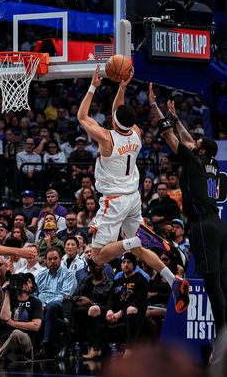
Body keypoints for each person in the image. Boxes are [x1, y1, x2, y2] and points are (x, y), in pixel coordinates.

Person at [77, 65, 189, 314]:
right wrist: (122, 87)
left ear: (113, 120)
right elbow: (119, 112)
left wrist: (94, 86)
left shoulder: (107, 139)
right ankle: (175, 281)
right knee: (138, 250)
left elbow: (82, 117)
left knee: (98, 256)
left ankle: (140, 237)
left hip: (114, 200)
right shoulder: (136, 133)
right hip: (133, 197)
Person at [148, 82, 227, 364]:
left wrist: (155, 106)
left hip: (204, 226)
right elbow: (188, 140)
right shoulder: (212, 164)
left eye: (196, 144)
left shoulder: (194, 162)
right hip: (219, 226)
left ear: (200, 152)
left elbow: (169, 135)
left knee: (212, 284)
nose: (191, 142)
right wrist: (179, 117)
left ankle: (221, 339)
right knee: (222, 284)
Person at [106, 252, 149, 359]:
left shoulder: (141, 280)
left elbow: (137, 301)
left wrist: (121, 312)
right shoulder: (118, 280)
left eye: (128, 262)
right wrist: (109, 310)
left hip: (134, 313)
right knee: (93, 309)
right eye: (123, 262)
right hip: (116, 312)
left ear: (134, 264)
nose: (125, 264)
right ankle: (96, 348)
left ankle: (130, 349)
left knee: (131, 309)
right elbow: (111, 298)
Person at [0, 272, 42, 362]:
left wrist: (14, 323)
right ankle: (6, 352)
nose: (26, 283)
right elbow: (4, 317)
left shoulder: (36, 302)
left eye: (29, 282)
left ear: (33, 286)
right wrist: (7, 293)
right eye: (24, 281)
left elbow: (36, 326)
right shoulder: (11, 299)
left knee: (16, 333)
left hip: (25, 339)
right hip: (6, 338)